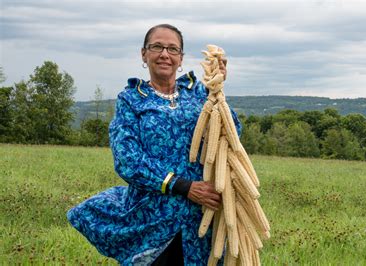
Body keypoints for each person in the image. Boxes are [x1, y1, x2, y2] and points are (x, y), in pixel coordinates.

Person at [67, 24, 241, 265]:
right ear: (143, 54)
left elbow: (231, 136)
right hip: (154, 216)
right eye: (157, 46)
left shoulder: (200, 93)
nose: (164, 54)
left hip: (201, 217)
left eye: (172, 48)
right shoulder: (131, 99)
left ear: (181, 58)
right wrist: (183, 186)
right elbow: (127, 160)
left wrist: (219, 92)